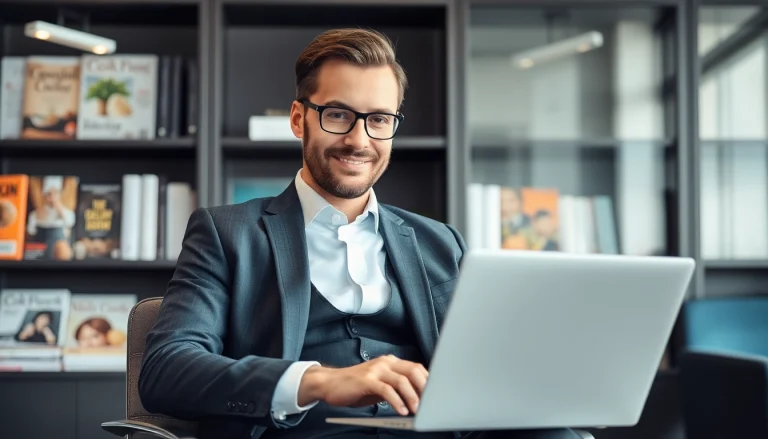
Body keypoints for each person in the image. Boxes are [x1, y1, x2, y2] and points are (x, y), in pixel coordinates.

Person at [138, 28, 583, 439]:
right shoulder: (227, 233)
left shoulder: (441, 243)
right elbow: (166, 370)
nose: (359, 140)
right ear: (299, 119)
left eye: (380, 120)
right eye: (338, 114)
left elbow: (486, 372)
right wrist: (320, 381)